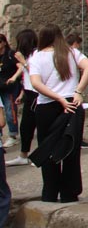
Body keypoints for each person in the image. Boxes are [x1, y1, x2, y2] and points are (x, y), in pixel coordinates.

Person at [28, 24, 88, 203]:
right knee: (70, 149)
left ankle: (49, 193)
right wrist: (78, 91)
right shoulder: (72, 53)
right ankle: (69, 193)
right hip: (72, 103)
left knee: (48, 147)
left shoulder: (36, 57)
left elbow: (36, 83)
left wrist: (58, 98)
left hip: (49, 105)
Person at [6, 29, 37, 167]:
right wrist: (22, 94)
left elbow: (37, 74)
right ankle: (23, 155)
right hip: (29, 94)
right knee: (25, 127)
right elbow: (26, 78)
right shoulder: (27, 55)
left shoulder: (36, 54)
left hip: (39, 95)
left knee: (41, 126)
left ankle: (44, 155)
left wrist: (23, 61)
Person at [64, 34, 88, 149]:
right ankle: (77, 140)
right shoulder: (73, 53)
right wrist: (79, 90)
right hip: (71, 92)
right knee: (74, 119)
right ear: (75, 43)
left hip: (62, 93)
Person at [0, 35, 20, 148]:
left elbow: (21, 66)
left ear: (3, 43)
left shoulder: (10, 54)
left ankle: (13, 135)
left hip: (9, 88)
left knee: (10, 110)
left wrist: (14, 77)